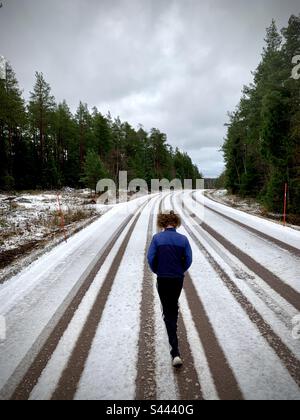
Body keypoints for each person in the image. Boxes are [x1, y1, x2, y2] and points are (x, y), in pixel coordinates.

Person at [147, 210, 193, 368]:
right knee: (172, 304)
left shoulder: (157, 238)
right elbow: (188, 260)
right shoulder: (183, 239)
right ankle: (173, 312)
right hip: (177, 279)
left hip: (163, 278)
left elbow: (151, 259)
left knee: (168, 311)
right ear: (176, 222)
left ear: (162, 223)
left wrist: (158, 270)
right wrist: (179, 270)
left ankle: (175, 352)